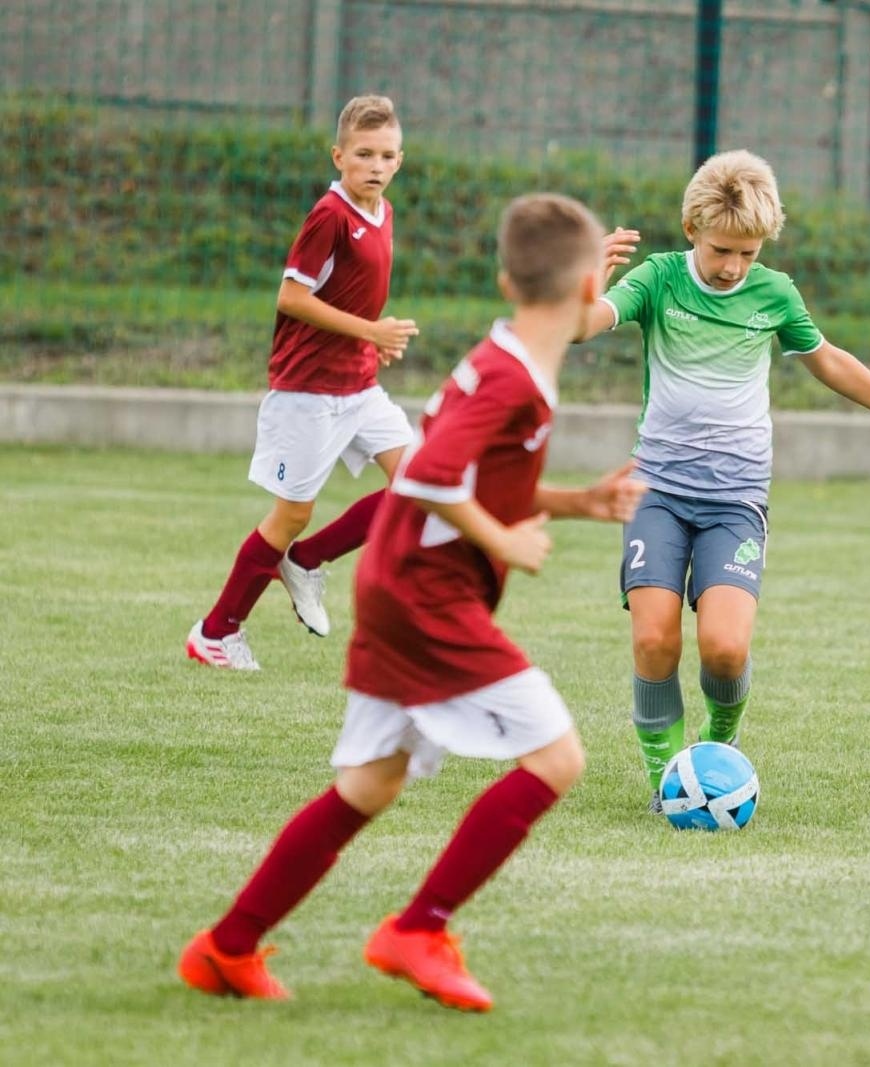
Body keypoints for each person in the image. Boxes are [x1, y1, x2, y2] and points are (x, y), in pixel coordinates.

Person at [178, 192, 646, 1011]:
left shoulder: (508, 352)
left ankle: (225, 947)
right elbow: (429, 475)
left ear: (507, 281)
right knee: (558, 756)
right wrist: (503, 542)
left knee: (370, 784)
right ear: (582, 294)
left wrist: (576, 502)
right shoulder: (514, 382)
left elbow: (480, 473)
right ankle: (418, 928)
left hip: (397, 583)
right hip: (428, 598)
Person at [572, 149, 870, 806]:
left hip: (735, 498)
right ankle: (669, 774)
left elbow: (827, 360)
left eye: (747, 254)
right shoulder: (659, 279)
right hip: (658, 489)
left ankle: (722, 742)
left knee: (723, 648)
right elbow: (582, 327)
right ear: (692, 228)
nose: (733, 267)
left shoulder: (773, 293)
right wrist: (584, 281)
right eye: (722, 250)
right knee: (654, 635)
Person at [186, 94, 419, 669]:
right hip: (308, 393)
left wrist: (369, 342)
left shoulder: (383, 213)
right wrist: (371, 329)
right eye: (363, 153)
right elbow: (292, 297)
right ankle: (215, 633)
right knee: (290, 514)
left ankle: (308, 560)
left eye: (386, 155)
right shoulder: (330, 216)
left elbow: (352, 294)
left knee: (419, 484)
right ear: (338, 156)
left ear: (400, 161)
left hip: (359, 388)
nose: (375, 164)